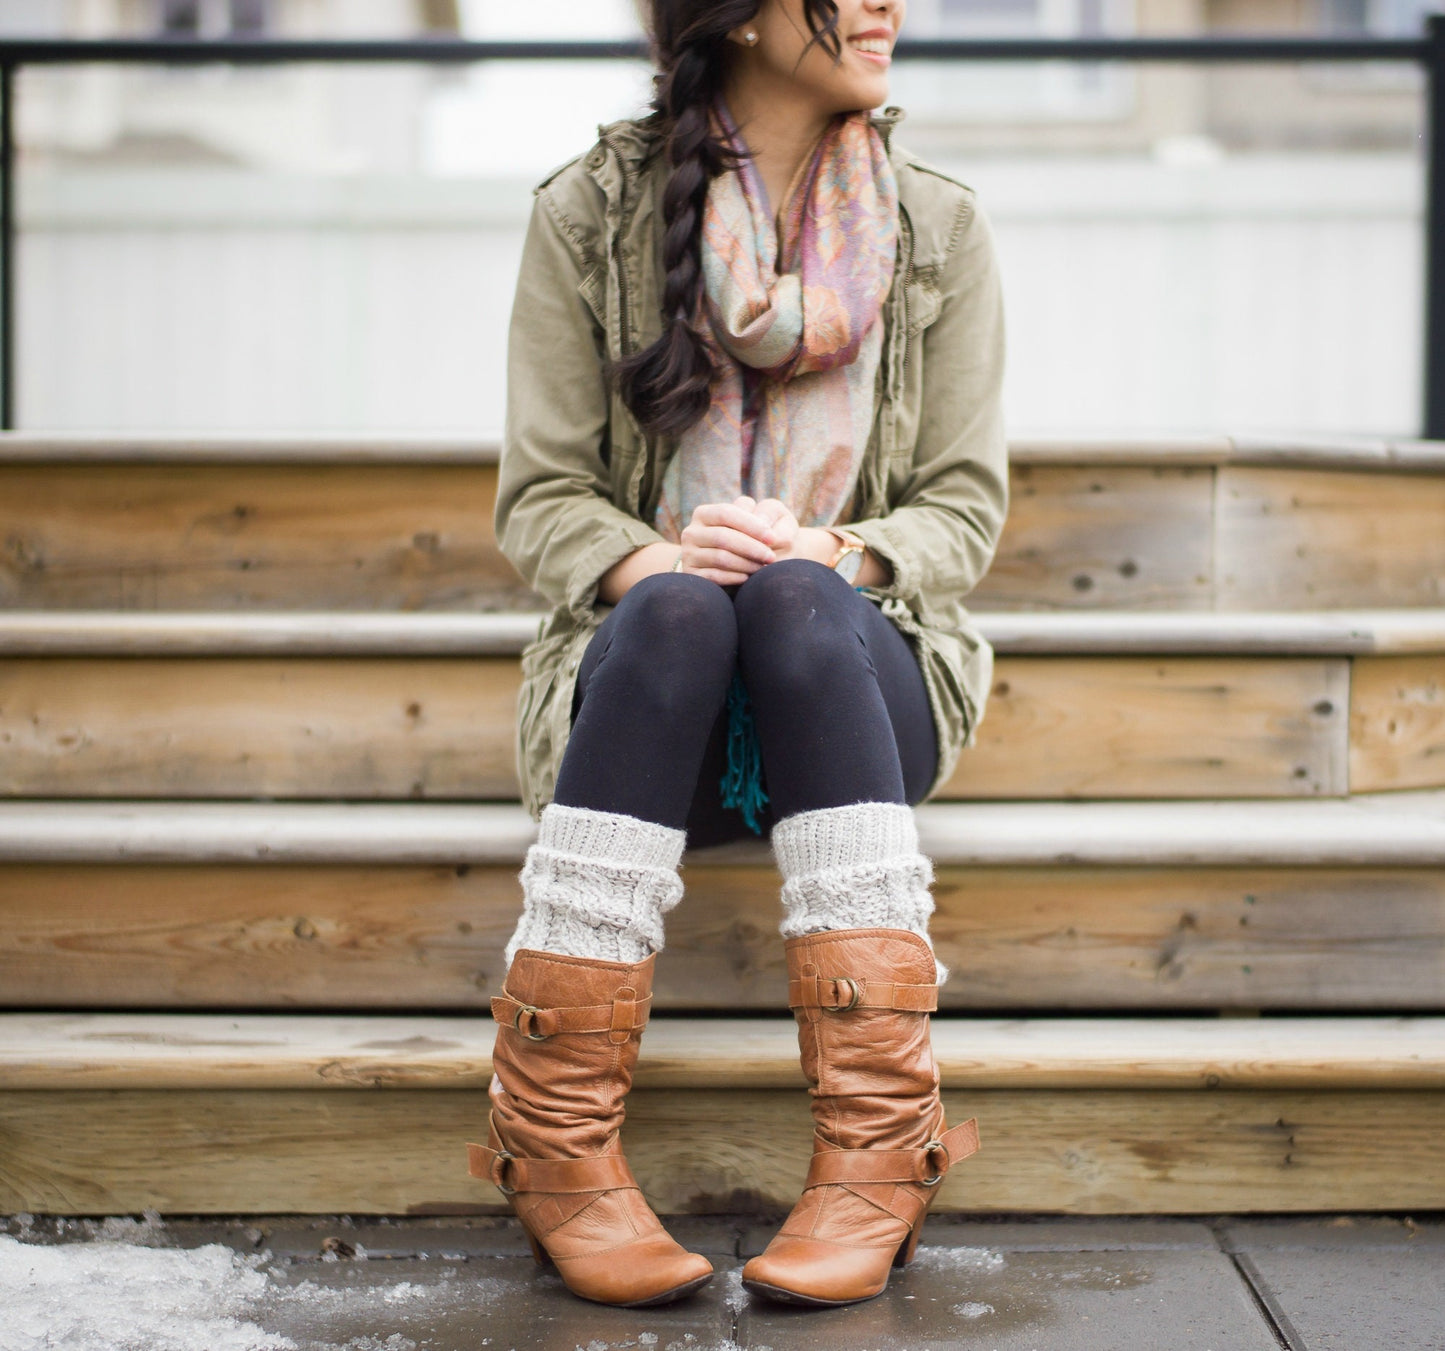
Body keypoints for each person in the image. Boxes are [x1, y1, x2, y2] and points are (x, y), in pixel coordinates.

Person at [466, 0, 1009, 1311]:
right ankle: (552, 1150)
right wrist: (664, 558)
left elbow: (962, 509)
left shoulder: (937, 223)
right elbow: (541, 498)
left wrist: (833, 558)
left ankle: (880, 1154)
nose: (890, 5)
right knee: (685, 608)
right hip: (653, 710)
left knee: (791, 602)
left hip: (859, 693)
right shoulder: (588, 212)